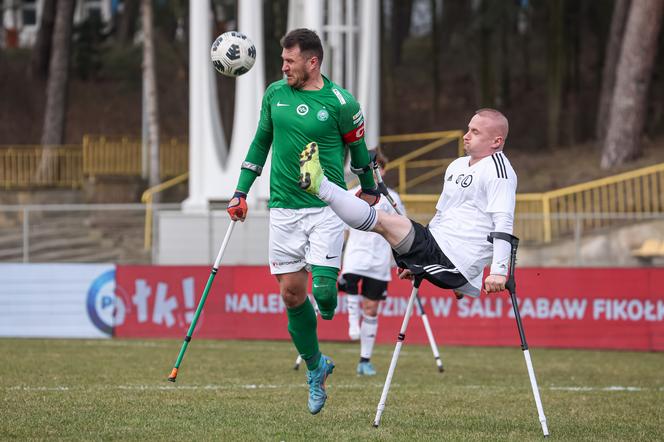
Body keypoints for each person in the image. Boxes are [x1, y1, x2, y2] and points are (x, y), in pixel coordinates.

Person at [226, 28, 379, 415]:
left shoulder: (342, 102)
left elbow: (360, 152)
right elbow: (260, 142)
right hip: (282, 209)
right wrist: (241, 192)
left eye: (290, 61)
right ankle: (316, 368)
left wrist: (370, 190)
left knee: (325, 297)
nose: (283, 67)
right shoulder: (275, 94)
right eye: (282, 60)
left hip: (326, 207)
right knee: (292, 295)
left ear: (312, 62)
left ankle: (325, 315)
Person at [298, 108, 516, 298]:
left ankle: (321, 186)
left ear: (496, 141)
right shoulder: (457, 165)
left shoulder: (499, 171)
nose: (466, 136)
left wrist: (498, 270)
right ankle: (321, 185)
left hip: (455, 261)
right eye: (468, 129)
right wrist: (417, 263)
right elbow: (442, 215)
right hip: (436, 248)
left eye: (475, 132)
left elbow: (503, 222)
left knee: (382, 221)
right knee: (383, 223)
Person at [338, 147, 405, 376]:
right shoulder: (352, 194)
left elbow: (402, 227)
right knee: (349, 284)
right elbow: (343, 228)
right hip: (356, 255)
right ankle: (351, 323)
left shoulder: (392, 198)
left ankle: (364, 359)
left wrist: (405, 258)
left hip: (379, 261)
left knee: (372, 308)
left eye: (377, 167)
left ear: (382, 170)